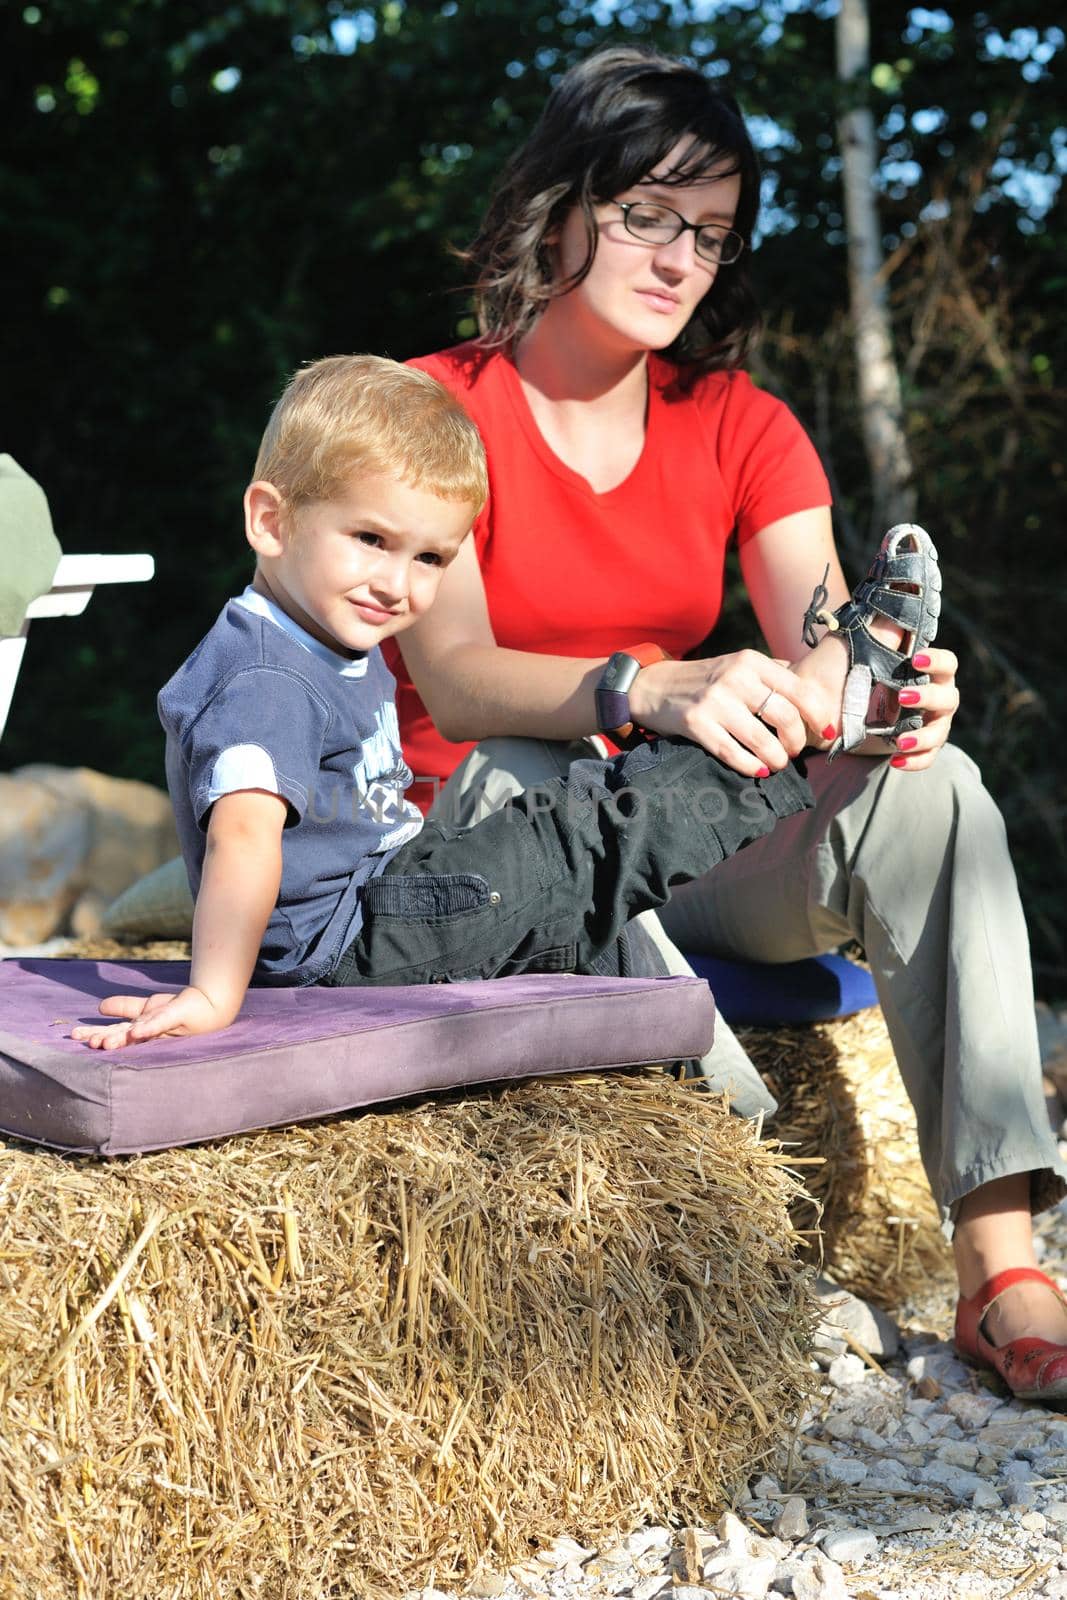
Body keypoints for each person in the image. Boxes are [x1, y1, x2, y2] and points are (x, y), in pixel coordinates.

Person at [388, 47, 1067, 1402]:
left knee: (937, 795)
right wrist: (645, 685)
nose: (675, 258)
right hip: (488, 846)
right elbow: (454, 675)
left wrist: (880, 698)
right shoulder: (431, 408)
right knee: (531, 757)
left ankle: (998, 1265)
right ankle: (725, 1207)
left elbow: (821, 653)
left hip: (680, 854)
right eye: (645, 214)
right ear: (563, 207)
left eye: (706, 232)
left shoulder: (740, 428)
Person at [73, 352, 839, 1045]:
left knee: (563, 868)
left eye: (431, 556)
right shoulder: (265, 680)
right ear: (270, 521)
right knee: (569, 842)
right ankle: (766, 743)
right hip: (348, 945)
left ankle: (675, 1079)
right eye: (370, 539)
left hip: (386, 892)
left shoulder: (320, 636)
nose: (398, 584)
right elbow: (242, 837)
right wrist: (212, 994)